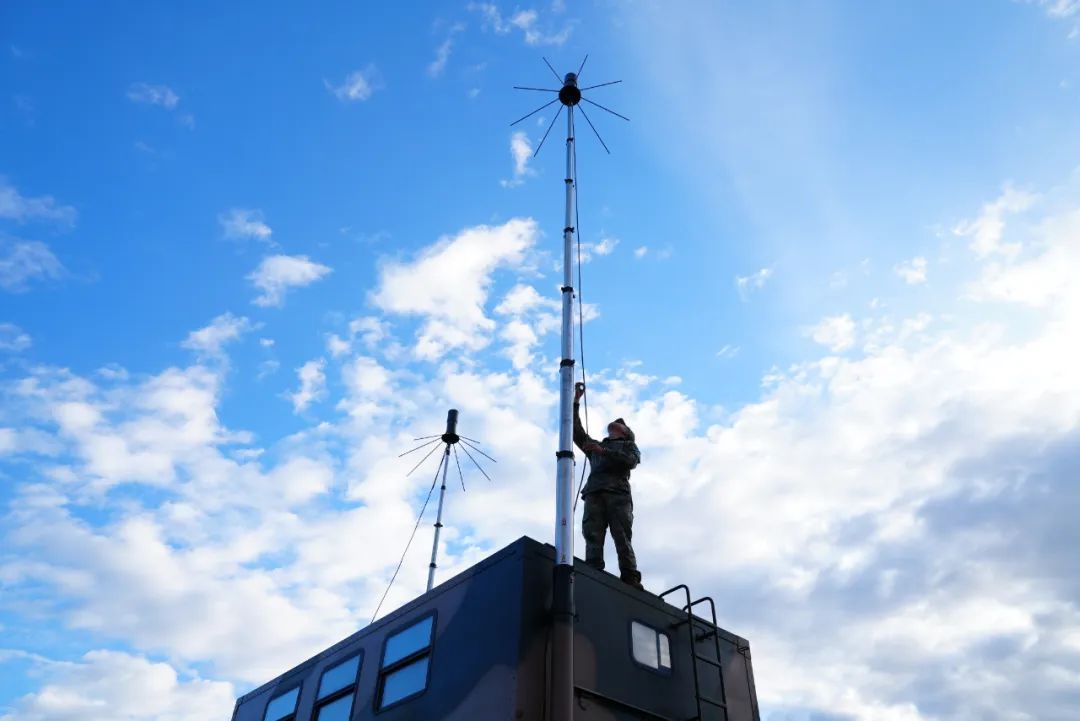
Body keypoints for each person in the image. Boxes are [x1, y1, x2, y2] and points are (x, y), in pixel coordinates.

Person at [573, 382, 643, 590]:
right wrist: (576, 400)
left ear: (626, 433)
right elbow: (575, 430)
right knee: (592, 534)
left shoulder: (628, 446)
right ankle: (593, 570)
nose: (617, 423)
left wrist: (603, 452)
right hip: (594, 493)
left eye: (622, 424)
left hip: (618, 495)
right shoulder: (596, 446)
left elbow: (630, 461)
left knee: (622, 536)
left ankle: (630, 577)